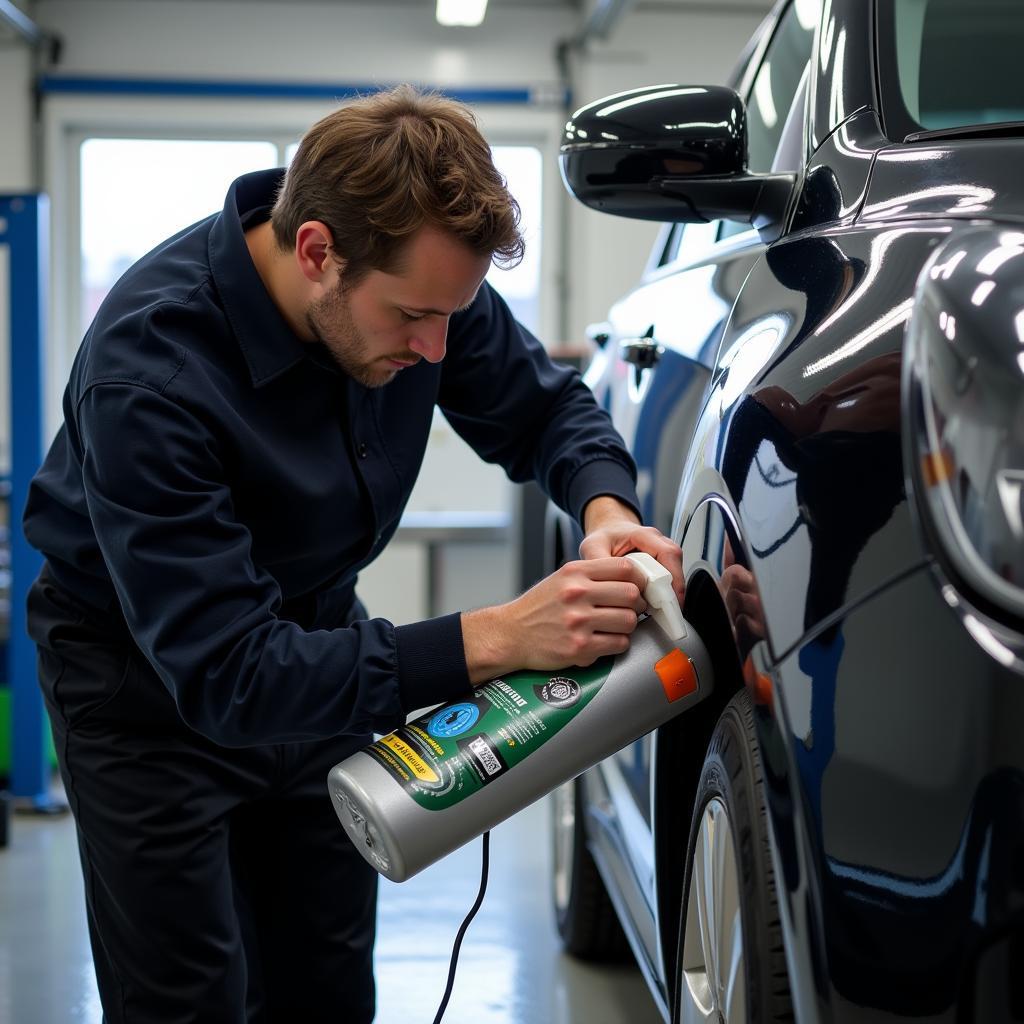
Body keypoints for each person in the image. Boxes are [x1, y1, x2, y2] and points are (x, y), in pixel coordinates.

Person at [23, 85, 683, 1023]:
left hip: (317, 643)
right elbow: (229, 676)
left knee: (323, 990)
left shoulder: (424, 287)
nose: (436, 346)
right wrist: (499, 637)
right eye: (413, 317)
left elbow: (542, 408)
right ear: (317, 252)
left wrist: (606, 509)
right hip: (147, 692)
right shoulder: (151, 375)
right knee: (187, 998)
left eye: (454, 315)